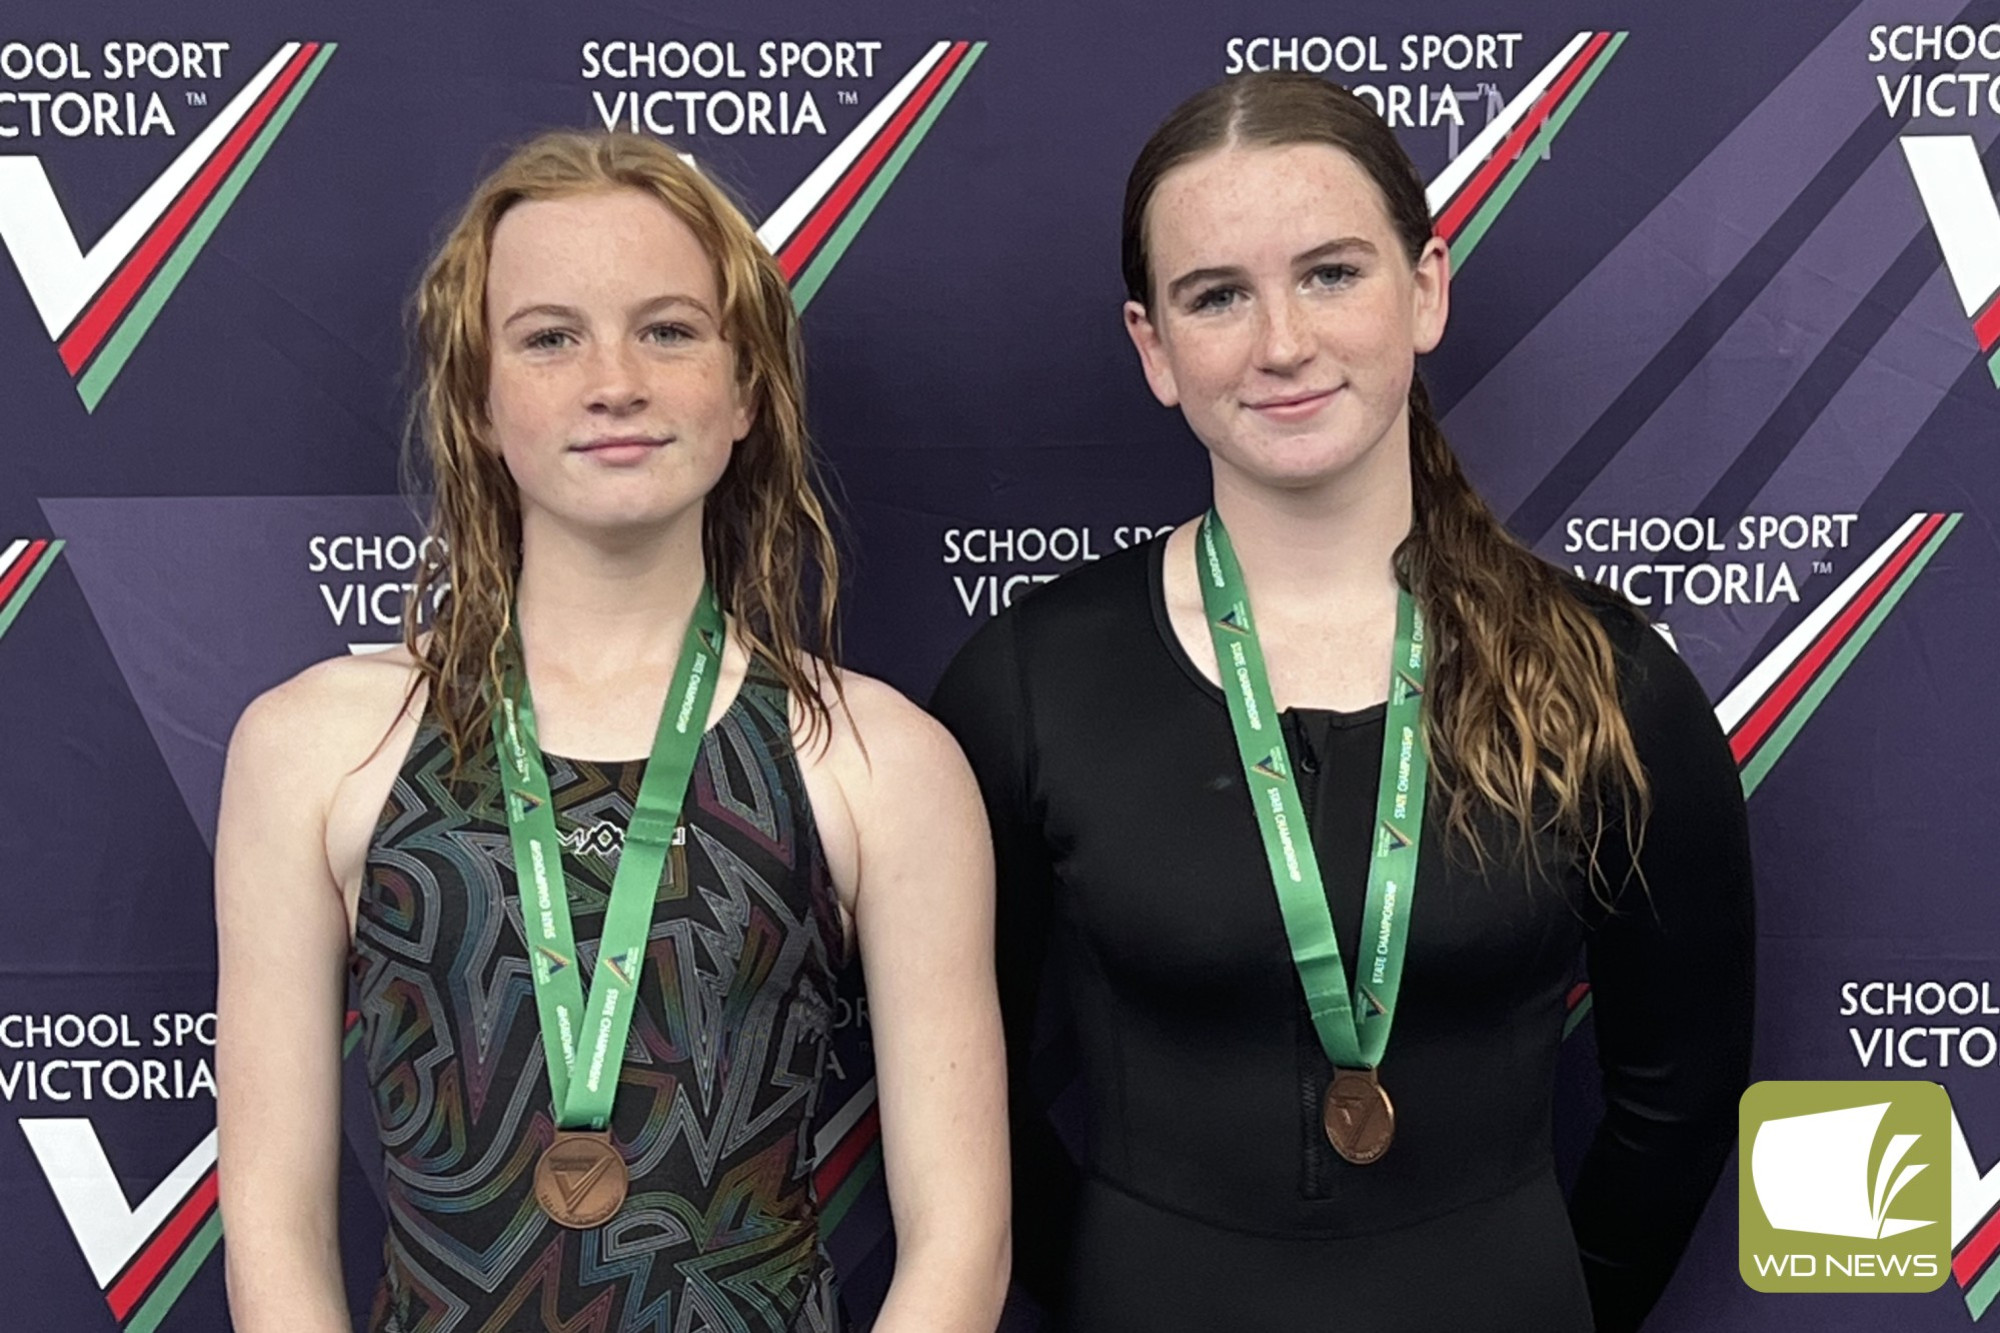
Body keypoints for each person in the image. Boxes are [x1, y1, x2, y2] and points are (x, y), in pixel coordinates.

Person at [930, 73, 1753, 1332]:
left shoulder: (1603, 677)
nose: (1281, 344)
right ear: (1154, 348)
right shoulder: (1027, 683)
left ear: (1422, 291)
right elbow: (956, 1099)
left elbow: (1678, 1090)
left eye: (1330, 273)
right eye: (1216, 296)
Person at [215, 130, 1009, 1333]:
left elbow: (960, 1239)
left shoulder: (873, 760)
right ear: (478, 403)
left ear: (745, 390)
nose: (614, 380)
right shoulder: (315, 747)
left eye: (669, 329)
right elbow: (270, 1221)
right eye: (549, 337)